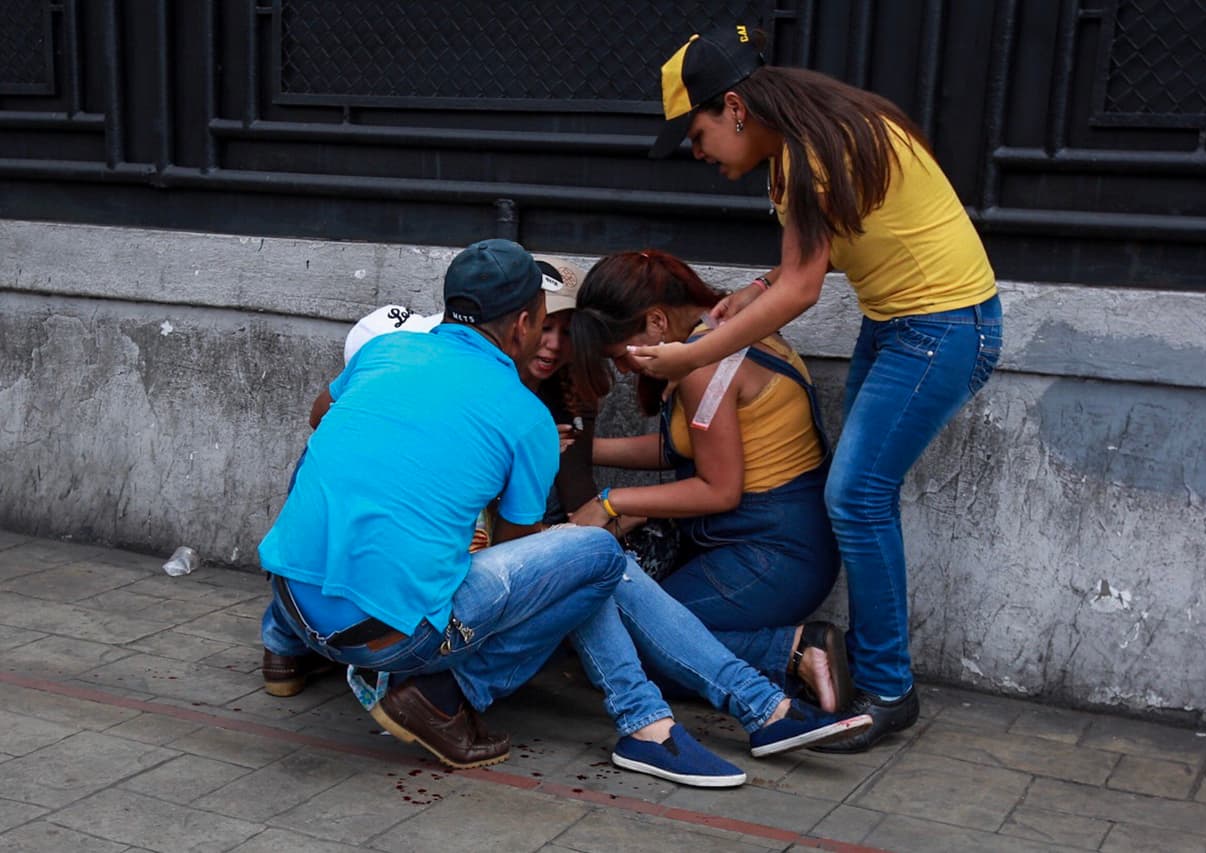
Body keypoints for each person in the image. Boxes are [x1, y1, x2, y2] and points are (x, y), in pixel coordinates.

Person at [257, 239, 868, 786]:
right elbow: (522, 557)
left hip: (292, 604)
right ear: (524, 323)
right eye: (546, 321)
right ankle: (716, 714)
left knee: (588, 562)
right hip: (391, 642)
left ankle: (687, 722)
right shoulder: (520, 413)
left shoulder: (386, 352)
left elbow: (321, 415)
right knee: (596, 557)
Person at [637, 24, 1004, 752]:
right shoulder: (808, 140)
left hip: (941, 328)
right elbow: (812, 259)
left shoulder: (813, 151)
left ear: (735, 107)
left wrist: (688, 357)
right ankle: (873, 674)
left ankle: (888, 689)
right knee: (858, 493)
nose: (700, 152)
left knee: (856, 496)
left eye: (699, 132)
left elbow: (804, 289)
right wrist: (754, 289)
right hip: (904, 324)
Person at [567, 249, 854, 714]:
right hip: (775, 543)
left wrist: (611, 502)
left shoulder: (704, 366)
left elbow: (719, 489)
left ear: (657, 322)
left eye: (620, 355)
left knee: (631, 645)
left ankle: (797, 651)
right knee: (625, 632)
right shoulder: (726, 329)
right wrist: (584, 451)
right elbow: (686, 447)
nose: (622, 370)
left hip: (773, 553)